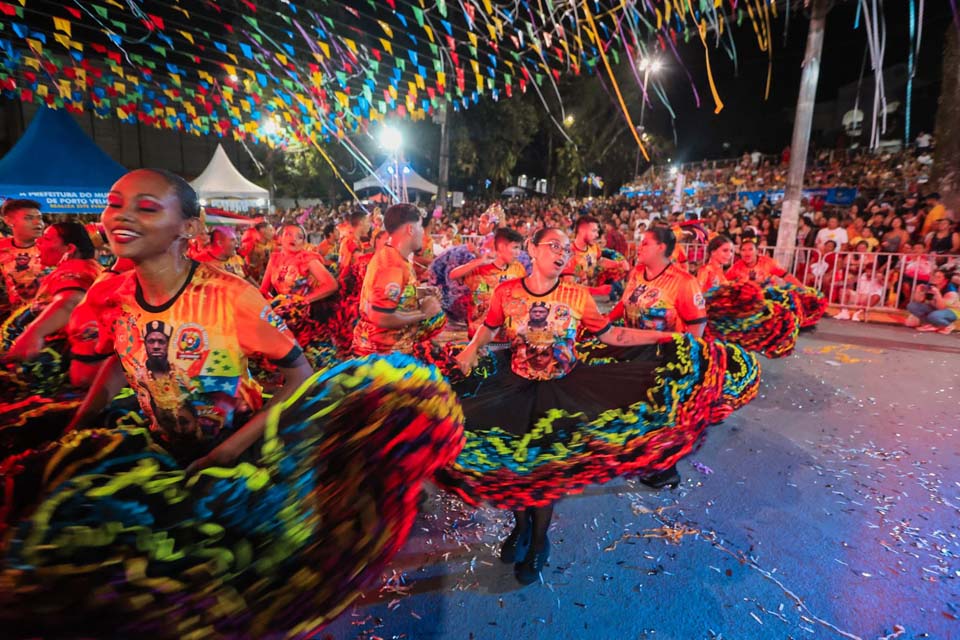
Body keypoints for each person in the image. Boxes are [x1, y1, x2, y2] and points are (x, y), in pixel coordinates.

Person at [0, 169, 465, 638]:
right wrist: (80, 426)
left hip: (238, 463)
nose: (121, 216)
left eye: (145, 207)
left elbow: (299, 376)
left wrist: (228, 450)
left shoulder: (231, 297)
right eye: (115, 203)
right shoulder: (114, 294)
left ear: (188, 227)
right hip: (160, 458)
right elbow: (121, 358)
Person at [439, 227, 746, 586]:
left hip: (560, 393)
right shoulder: (506, 292)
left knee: (543, 472)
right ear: (532, 250)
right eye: (554, 246)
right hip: (515, 387)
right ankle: (519, 528)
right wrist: (471, 348)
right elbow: (489, 328)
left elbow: (614, 335)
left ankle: (539, 543)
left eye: (566, 248)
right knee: (514, 465)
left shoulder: (576, 294)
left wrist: (668, 336)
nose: (562, 253)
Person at [352, 203, 444, 356]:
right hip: (383, 358)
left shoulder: (395, 257)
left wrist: (420, 292)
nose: (423, 232)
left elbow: (396, 294)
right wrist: (423, 313)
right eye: (420, 226)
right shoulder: (392, 265)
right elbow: (380, 317)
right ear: (410, 229)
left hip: (392, 352)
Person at [259, 223, 339, 339]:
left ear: (304, 243)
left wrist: (301, 301)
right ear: (280, 238)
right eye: (288, 234)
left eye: (299, 237)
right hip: (284, 317)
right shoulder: (275, 258)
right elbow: (264, 290)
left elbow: (331, 285)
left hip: (309, 317)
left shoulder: (308, 259)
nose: (294, 239)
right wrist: (274, 305)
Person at [448, 227, 526, 338]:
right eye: (515, 248)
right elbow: (453, 275)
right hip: (479, 335)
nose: (518, 253)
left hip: (507, 336)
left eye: (519, 248)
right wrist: (479, 261)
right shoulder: (480, 268)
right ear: (502, 247)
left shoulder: (518, 268)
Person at [0, 198, 46, 318]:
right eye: (29, 218)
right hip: (13, 321)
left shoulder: (53, 247)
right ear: (9, 221)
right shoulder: (2, 249)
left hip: (52, 319)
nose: (38, 223)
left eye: (40, 218)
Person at [563, 215, 629, 297]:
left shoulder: (593, 247)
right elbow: (569, 287)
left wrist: (619, 264)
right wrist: (597, 291)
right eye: (593, 231)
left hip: (586, 297)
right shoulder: (568, 253)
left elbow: (600, 261)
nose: (597, 235)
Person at [906, 267, 959, 334]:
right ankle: (930, 324)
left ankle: (948, 325)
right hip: (936, 309)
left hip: (951, 311)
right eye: (934, 276)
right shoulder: (931, 285)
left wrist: (937, 293)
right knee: (912, 306)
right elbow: (919, 301)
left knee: (934, 315)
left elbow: (942, 307)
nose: (934, 278)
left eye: (938, 277)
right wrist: (918, 291)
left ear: (945, 280)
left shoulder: (951, 291)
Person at [337, 209, 371, 276]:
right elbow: (361, 257)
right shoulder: (349, 240)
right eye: (367, 222)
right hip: (348, 282)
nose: (369, 225)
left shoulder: (356, 239)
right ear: (361, 222)